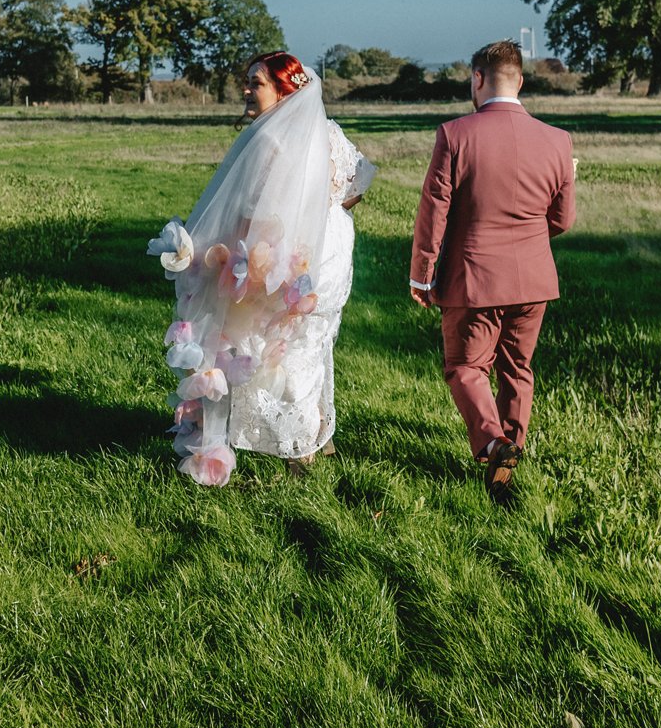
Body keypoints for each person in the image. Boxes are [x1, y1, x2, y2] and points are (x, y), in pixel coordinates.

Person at [147, 52, 375, 485]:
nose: (247, 90)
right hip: (327, 257)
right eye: (248, 82)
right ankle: (317, 437)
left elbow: (250, 213)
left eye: (256, 83)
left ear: (284, 90)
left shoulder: (269, 140)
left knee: (280, 348)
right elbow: (356, 186)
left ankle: (299, 447)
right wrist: (324, 215)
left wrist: (219, 254)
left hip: (288, 260)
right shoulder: (329, 133)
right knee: (310, 345)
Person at [409, 40, 575, 505]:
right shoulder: (558, 141)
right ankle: (509, 461)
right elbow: (562, 221)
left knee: (465, 367)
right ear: (520, 81)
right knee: (517, 369)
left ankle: (494, 443)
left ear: (477, 79)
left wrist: (422, 274)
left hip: (473, 276)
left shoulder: (455, 134)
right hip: (535, 279)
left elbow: (433, 211)